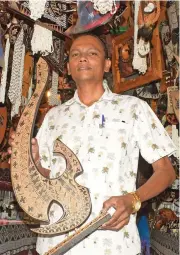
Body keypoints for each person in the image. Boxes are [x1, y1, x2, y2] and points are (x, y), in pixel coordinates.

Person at [9, 34, 176, 255]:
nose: (83, 58)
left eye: (92, 53)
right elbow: (49, 176)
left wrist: (133, 199)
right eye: (76, 54)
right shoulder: (53, 116)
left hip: (114, 243)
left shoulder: (133, 109)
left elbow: (166, 172)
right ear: (68, 67)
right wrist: (34, 161)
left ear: (107, 64)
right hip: (56, 243)